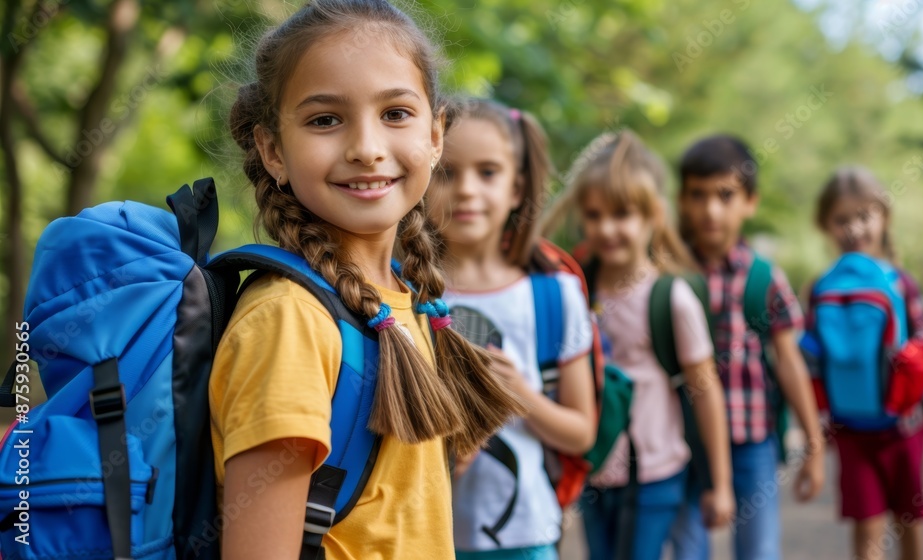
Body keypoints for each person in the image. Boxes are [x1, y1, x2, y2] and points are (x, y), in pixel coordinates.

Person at [209, 3, 523, 558]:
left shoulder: (407, 299)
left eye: (396, 114)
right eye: (325, 120)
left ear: (436, 134)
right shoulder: (289, 321)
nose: (367, 147)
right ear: (273, 150)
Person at [544, 130, 734, 560]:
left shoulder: (672, 299)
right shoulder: (575, 289)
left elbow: (706, 393)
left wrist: (720, 485)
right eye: (593, 215)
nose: (607, 228)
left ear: (653, 215)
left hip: (655, 472)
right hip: (594, 470)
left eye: (623, 214)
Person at [426, 98, 597, 560]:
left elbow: (581, 433)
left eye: (487, 172)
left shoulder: (555, 294)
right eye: (446, 173)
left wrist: (519, 391)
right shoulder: (399, 290)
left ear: (518, 187)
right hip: (420, 535)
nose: (465, 190)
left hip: (526, 536)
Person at [670, 134, 825, 560]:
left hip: (754, 438)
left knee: (758, 551)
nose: (711, 209)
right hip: (685, 441)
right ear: (682, 200)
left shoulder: (763, 278)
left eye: (726, 195)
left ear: (750, 202)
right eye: (698, 195)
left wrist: (813, 444)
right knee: (688, 550)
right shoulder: (670, 275)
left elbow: (790, 363)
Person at [809, 166, 923, 560]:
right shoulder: (819, 289)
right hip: (850, 433)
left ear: (884, 217)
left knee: (910, 519)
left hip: (904, 429)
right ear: (825, 224)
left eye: (864, 216)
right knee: (868, 530)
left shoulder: (902, 284)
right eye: (842, 219)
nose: (854, 229)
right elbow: (811, 367)